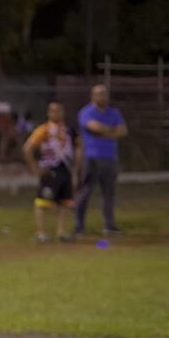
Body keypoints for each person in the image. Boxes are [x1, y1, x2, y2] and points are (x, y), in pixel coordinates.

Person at [74, 84, 127, 236]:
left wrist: (105, 132)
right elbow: (94, 127)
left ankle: (109, 226)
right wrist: (111, 131)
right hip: (92, 157)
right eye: (98, 94)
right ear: (92, 96)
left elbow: (123, 131)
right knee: (85, 191)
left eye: (103, 94)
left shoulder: (114, 112)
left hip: (110, 158)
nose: (101, 97)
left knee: (109, 193)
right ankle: (79, 226)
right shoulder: (86, 112)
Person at [23, 102, 76, 243]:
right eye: (53, 111)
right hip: (49, 169)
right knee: (42, 202)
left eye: (58, 111)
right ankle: (41, 233)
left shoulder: (68, 130)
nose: (56, 114)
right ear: (48, 113)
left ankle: (61, 232)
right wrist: (35, 168)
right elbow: (28, 148)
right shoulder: (44, 130)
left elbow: (77, 146)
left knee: (64, 202)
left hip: (65, 169)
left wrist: (76, 168)